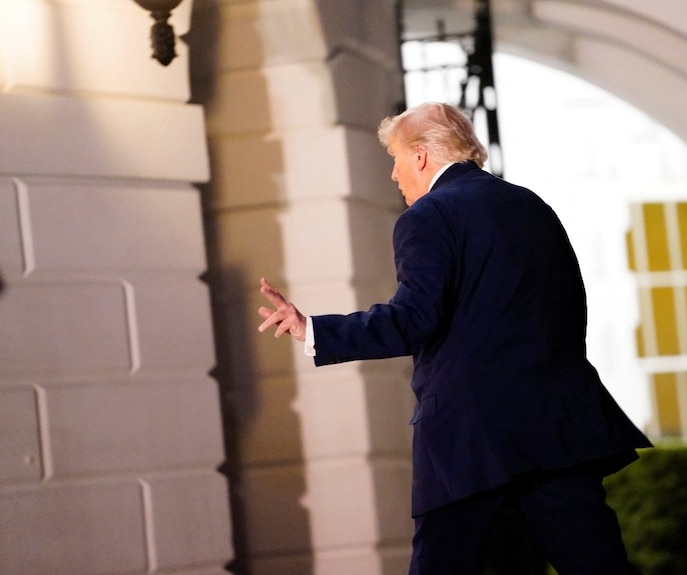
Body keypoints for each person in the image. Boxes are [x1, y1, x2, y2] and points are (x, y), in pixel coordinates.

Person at [257, 102, 652, 575]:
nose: (394, 175)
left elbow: (413, 319)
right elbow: (569, 307)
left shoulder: (427, 217)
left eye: (397, 159)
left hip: (470, 437)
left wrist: (315, 329)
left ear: (421, 156)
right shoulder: (532, 206)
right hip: (557, 425)